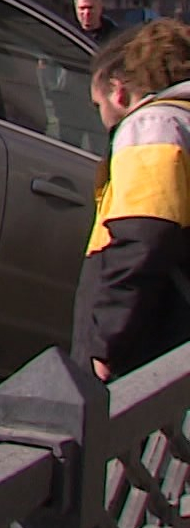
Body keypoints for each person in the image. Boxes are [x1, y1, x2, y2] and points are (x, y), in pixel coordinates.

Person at [72, 19, 190, 383]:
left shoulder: (151, 127)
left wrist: (107, 343)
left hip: (152, 349)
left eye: (98, 104)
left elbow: (143, 237)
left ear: (118, 92)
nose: (102, 117)